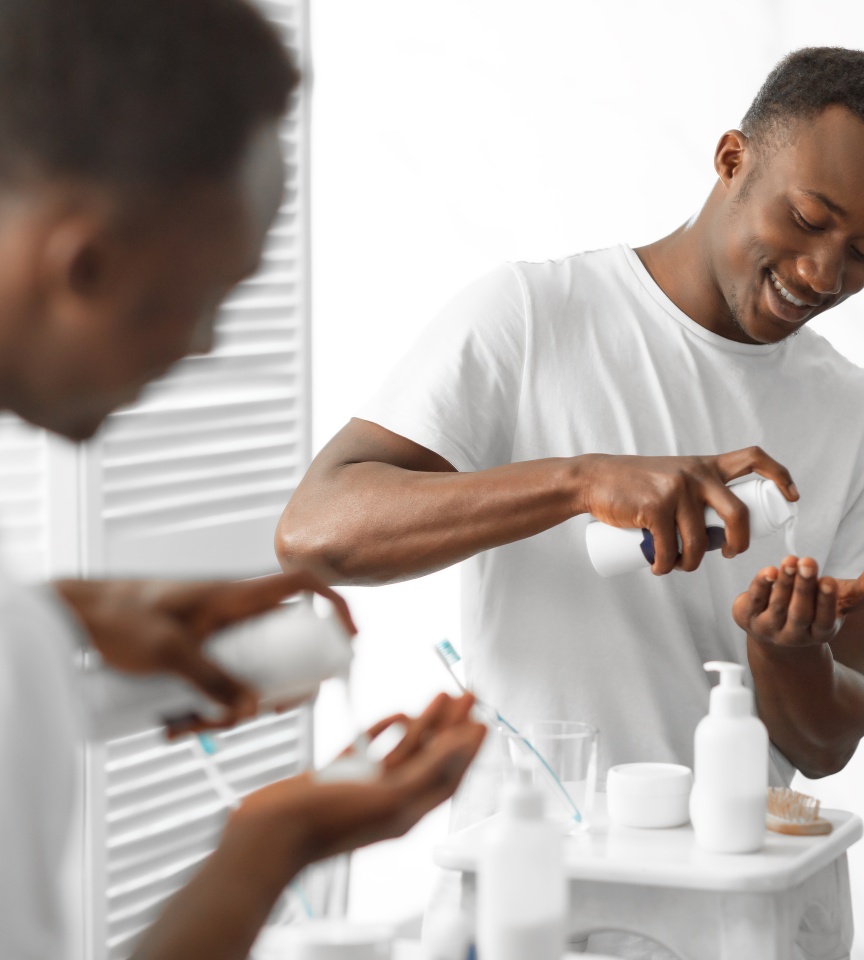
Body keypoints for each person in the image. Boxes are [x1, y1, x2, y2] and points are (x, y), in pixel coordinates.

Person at [0, 2, 486, 959]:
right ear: (82, 265)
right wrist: (270, 845)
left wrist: (63, 619)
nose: (202, 344)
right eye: (205, 298)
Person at [277, 47, 864, 957]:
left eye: (863, 253)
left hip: (744, 913)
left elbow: (824, 746)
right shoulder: (533, 318)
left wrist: (785, 651)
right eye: (807, 218)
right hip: (538, 894)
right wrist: (577, 480)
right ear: (731, 160)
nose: (826, 276)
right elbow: (316, 534)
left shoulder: (850, 416)